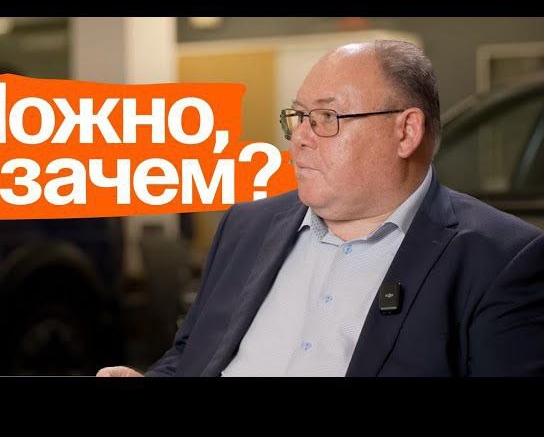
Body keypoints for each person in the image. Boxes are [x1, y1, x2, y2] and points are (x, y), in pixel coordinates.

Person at [97, 39, 544, 377]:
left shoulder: (500, 260)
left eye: (327, 118)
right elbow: (190, 355)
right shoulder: (245, 227)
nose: (299, 139)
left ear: (406, 132)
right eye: (298, 117)